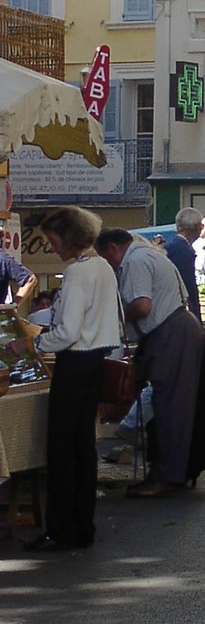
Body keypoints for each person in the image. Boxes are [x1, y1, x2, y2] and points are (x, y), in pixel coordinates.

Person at [10, 207, 119, 551]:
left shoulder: (76, 274)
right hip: (96, 362)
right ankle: (81, 525)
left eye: (54, 240)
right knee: (83, 448)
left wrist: (30, 343)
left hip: (74, 365)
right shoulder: (102, 267)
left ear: (68, 237)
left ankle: (60, 529)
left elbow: (68, 332)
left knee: (62, 450)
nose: (52, 247)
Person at [96, 229, 205, 497]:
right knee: (173, 407)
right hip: (176, 330)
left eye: (107, 259)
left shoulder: (135, 261)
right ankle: (175, 471)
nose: (110, 265)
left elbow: (142, 306)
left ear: (114, 248)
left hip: (170, 333)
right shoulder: (150, 255)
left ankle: (165, 477)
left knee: (169, 410)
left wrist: (114, 317)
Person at [167, 207, 204, 321]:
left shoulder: (175, 247)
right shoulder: (182, 250)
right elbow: (187, 287)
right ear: (197, 227)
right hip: (180, 314)